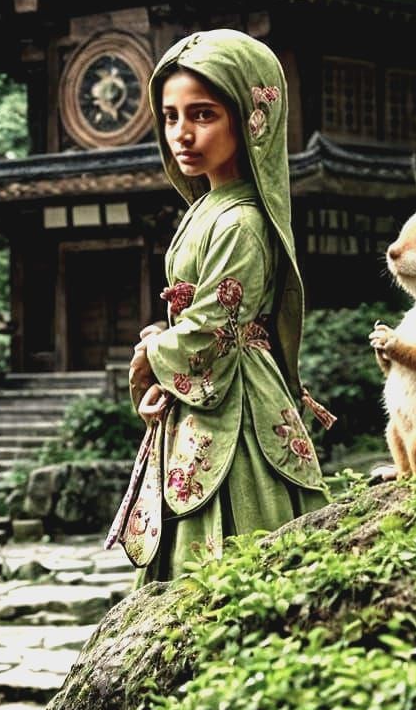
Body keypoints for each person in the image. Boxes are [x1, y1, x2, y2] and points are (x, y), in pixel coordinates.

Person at [105, 29, 335, 583]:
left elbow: (212, 332)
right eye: (170, 116)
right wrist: (162, 351)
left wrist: (152, 355)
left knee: (237, 549)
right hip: (203, 391)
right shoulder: (208, 207)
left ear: (251, 119)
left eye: (203, 115)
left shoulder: (241, 221)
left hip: (236, 398)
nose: (181, 134)